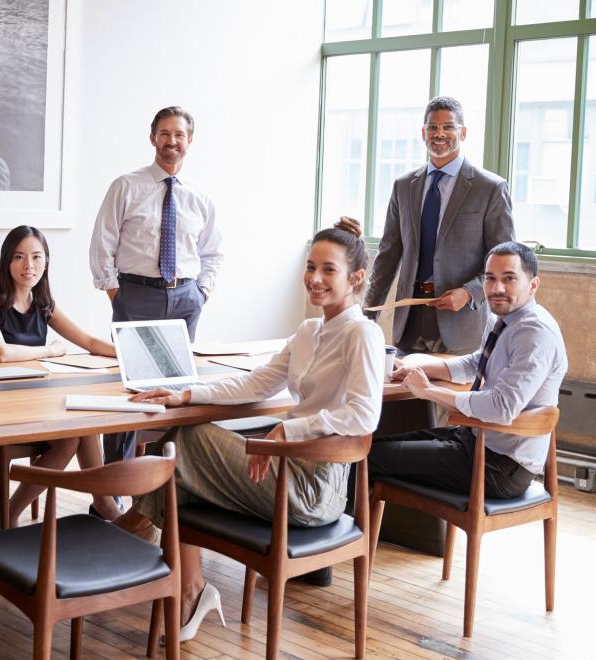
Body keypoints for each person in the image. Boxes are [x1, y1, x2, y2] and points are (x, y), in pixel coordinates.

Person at [121, 227, 384, 641]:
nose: (315, 277)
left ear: (356, 277)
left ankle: (135, 528)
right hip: (283, 472)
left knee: (185, 443)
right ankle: (189, 587)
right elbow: (254, 384)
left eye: (328, 270)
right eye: (311, 267)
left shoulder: (361, 334)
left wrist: (289, 428)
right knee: (184, 448)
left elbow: (365, 415)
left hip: (316, 488)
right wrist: (185, 393)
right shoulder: (308, 332)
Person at [369, 242, 567, 499]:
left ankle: (345, 535)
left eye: (509, 279)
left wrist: (429, 391)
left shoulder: (535, 332)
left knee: (367, 456)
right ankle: (370, 534)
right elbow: (476, 363)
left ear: (533, 285)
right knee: (370, 446)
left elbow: (502, 407)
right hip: (475, 441)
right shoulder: (501, 318)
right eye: (490, 278)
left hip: (500, 466)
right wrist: (415, 365)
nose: (496, 288)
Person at [89, 106, 224, 462]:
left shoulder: (201, 197)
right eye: (165, 134)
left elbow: (213, 252)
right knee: (131, 392)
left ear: (190, 141)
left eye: (179, 135)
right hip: (137, 295)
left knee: (180, 390)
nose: (172, 141)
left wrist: (201, 293)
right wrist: (117, 293)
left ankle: (166, 485)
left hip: (185, 298)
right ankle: (115, 488)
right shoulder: (126, 186)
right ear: (153, 139)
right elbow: (103, 242)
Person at [338, 95, 515, 355]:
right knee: (404, 394)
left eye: (448, 127)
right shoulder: (404, 187)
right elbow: (388, 256)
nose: (439, 133)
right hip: (409, 319)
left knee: (449, 396)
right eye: (432, 127)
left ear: (462, 132)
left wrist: (469, 293)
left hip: (460, 320)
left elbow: (505, 259)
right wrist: (365, 317)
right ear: (423, 133)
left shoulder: (489, 188)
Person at [0, 225, 122, 527]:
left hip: (37, 400)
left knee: (82, 427)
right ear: (7, 261)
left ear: (46, 262)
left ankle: (13, 511)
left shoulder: (43, 306)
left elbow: (89, 342)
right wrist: (50, 351)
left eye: (36, 257)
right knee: (73, 436)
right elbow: (1, 353)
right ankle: (103, 504)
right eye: (19, 257)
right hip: (1, 407)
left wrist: (131, 354)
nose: (28, 265)